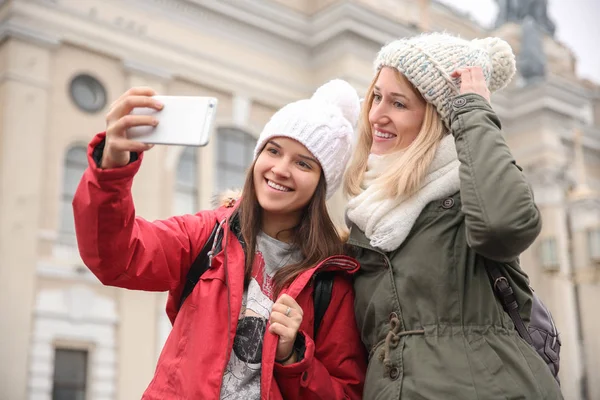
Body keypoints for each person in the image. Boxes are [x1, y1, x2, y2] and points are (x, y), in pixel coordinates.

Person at [73, 79, 367, 399]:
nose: (280, 169)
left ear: (322, 184)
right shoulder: (207, 235)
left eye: (303, 163)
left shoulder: (333, 281)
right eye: (273, 150)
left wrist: (293, 355)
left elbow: (347, 393)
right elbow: (117, 257)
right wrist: (112, 168)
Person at [343, 33, 563, 399]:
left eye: (398, 103)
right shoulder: (366, 214)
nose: (376, 114)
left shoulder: (469, 194)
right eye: (376, 96)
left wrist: (472, 110)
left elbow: (505, 225)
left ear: (434, 116)